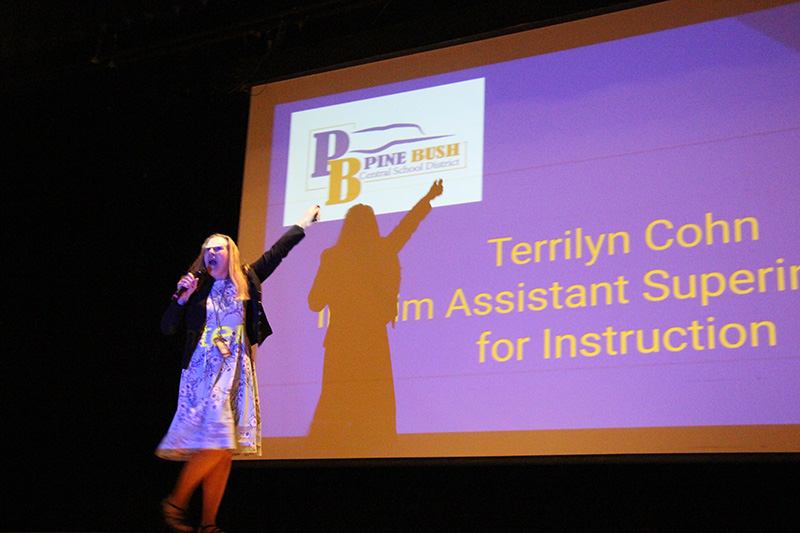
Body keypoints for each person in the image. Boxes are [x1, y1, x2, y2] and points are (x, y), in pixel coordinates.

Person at [157, 205, 320, 533]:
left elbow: (278, 252)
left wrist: (304, 223)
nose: (213, 251)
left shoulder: (247, 279)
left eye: (220, 246)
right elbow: (167, 327)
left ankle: (208, 523)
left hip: (236, 373)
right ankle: (175, 502)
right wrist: (180, 298)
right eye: (209, 248)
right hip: (202, 373)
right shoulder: (197, 290)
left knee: (225, 449)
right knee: (217, 443)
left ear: (231, 253)